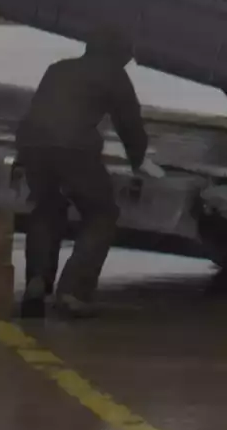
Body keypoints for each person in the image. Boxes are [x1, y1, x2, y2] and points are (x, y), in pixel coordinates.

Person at [15, 25, 149, 318]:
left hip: (32, 145)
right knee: (102, 213)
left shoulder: (59, 69)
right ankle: (73, 292)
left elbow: (39, 110)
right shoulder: (113, 74)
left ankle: (37, 282)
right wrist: (140, 161)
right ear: (119, 52)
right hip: (73, 148)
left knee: (47, 208)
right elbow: (129, 124)